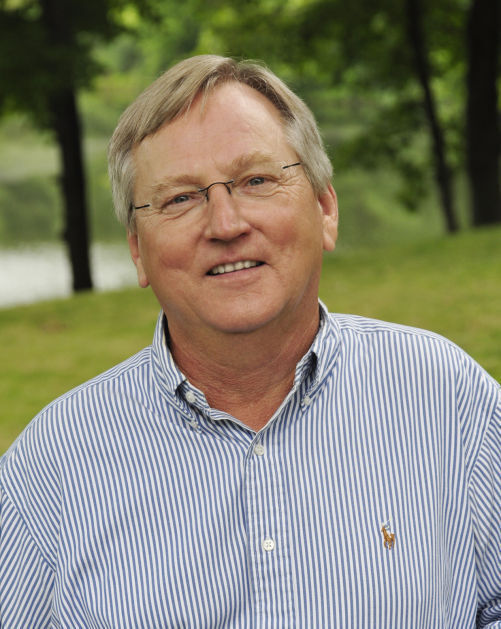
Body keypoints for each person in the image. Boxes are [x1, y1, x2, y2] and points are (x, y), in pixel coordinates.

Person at [0, 55, 500, 628]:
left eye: (257, 181)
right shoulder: (53, 467)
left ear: (325, 207)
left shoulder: (445, 397)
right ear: (138, 251)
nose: (226, 223)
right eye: (180, 198)